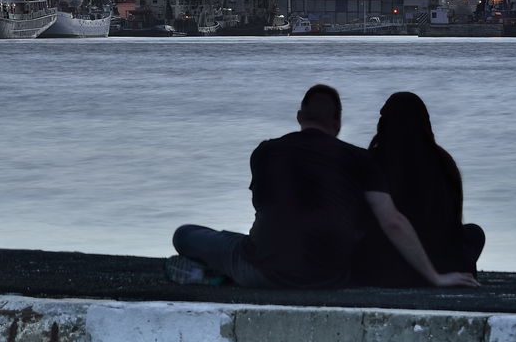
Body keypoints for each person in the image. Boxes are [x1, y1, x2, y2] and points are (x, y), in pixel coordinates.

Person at [168, 83, 479, 289]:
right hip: (332, 276)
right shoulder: (361, 160)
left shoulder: (265, 152)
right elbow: (392, 221)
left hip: (264, 271)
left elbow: (265, 209)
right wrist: (435, 277)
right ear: (338, 124)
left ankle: (217, 273)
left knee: (185, 235)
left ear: (300, 116)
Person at [351, 91, 487, 287]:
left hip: (384, 265)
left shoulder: (372, 161)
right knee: (474, 233)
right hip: (442, 263)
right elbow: (454, 221)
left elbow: (362, 221)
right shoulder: (443, 162)